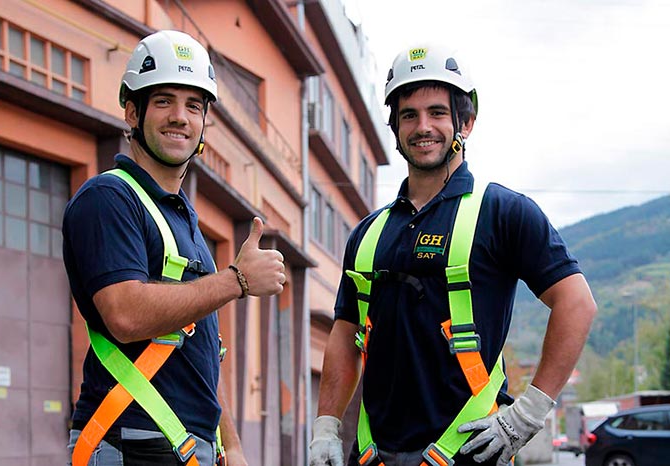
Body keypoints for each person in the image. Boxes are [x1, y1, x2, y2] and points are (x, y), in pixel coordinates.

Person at [308, 44, 597, 466]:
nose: (423, 126)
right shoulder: (368, 234)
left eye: (437, 113)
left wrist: (528, 413)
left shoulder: (503, 213)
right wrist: (326, 427)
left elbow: (576, 303)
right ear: (395, 127)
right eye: (409, 115)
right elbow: (344, 332)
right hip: (374, 454)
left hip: (470, 452)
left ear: (466, 121)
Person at [63, 30, 285, 465]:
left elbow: (197, 345)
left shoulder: (182, 219)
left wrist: (232, 444)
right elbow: (125, 313)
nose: (180, 116)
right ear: (132, 111)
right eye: (163, 101)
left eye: (194, 106)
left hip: (186, 445)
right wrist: (236, 280)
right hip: (132, 442)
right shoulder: (108, 198)